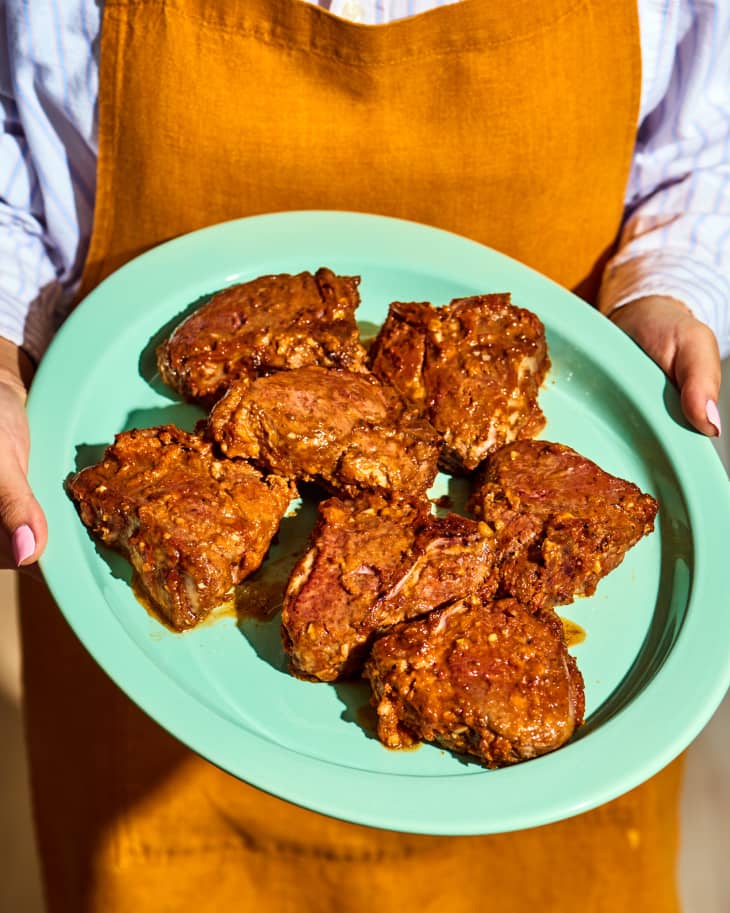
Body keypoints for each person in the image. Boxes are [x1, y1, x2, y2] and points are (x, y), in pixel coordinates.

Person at [0, 1, 728, 911]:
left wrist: (665, 284)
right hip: (158, 731)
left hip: (544, 819)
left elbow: (704, 146)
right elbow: (13, 157)